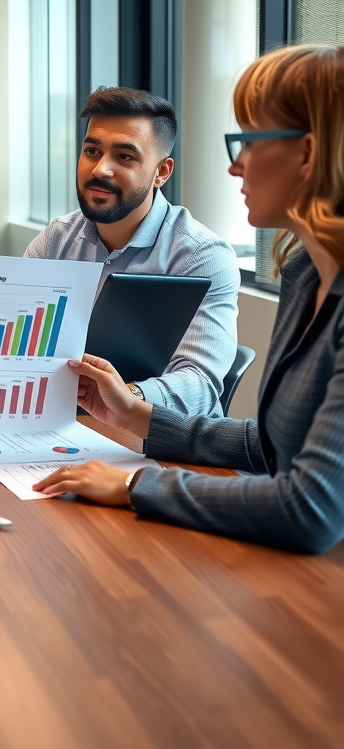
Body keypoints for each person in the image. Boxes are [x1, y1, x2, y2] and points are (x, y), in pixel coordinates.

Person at [33, 46, 344, 554]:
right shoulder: (304, 274)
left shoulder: (204, 254)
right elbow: (265, 445)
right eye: (92, 149)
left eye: (248, 142)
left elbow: (308, 508)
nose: (235, 166)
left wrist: (138, 486)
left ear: (307, 154)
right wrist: (133, 413)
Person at [25, 87, 239, 417]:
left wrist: (125, 396)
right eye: (92, 151)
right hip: (63, 426)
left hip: (162, 446)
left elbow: (200, 384)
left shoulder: (201, 256)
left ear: (162, 172)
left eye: (124, 156)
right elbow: (15, 343)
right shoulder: (56, 240)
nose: (100, 170)